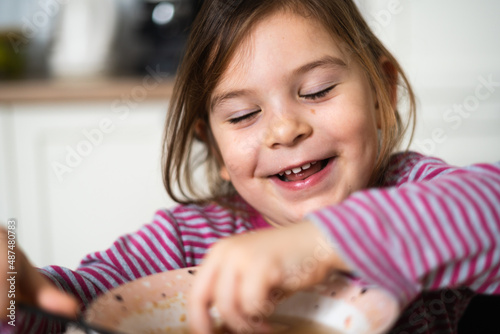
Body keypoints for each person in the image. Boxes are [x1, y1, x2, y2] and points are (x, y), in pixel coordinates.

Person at [1, 0, 499, 333]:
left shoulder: (416, 193)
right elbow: (78, 303)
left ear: (382, 95)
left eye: (318, 90)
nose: (284, 130)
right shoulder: (186, 240)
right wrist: (15, 287)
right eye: (243, 115)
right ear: (215, 149)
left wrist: (320, 241)